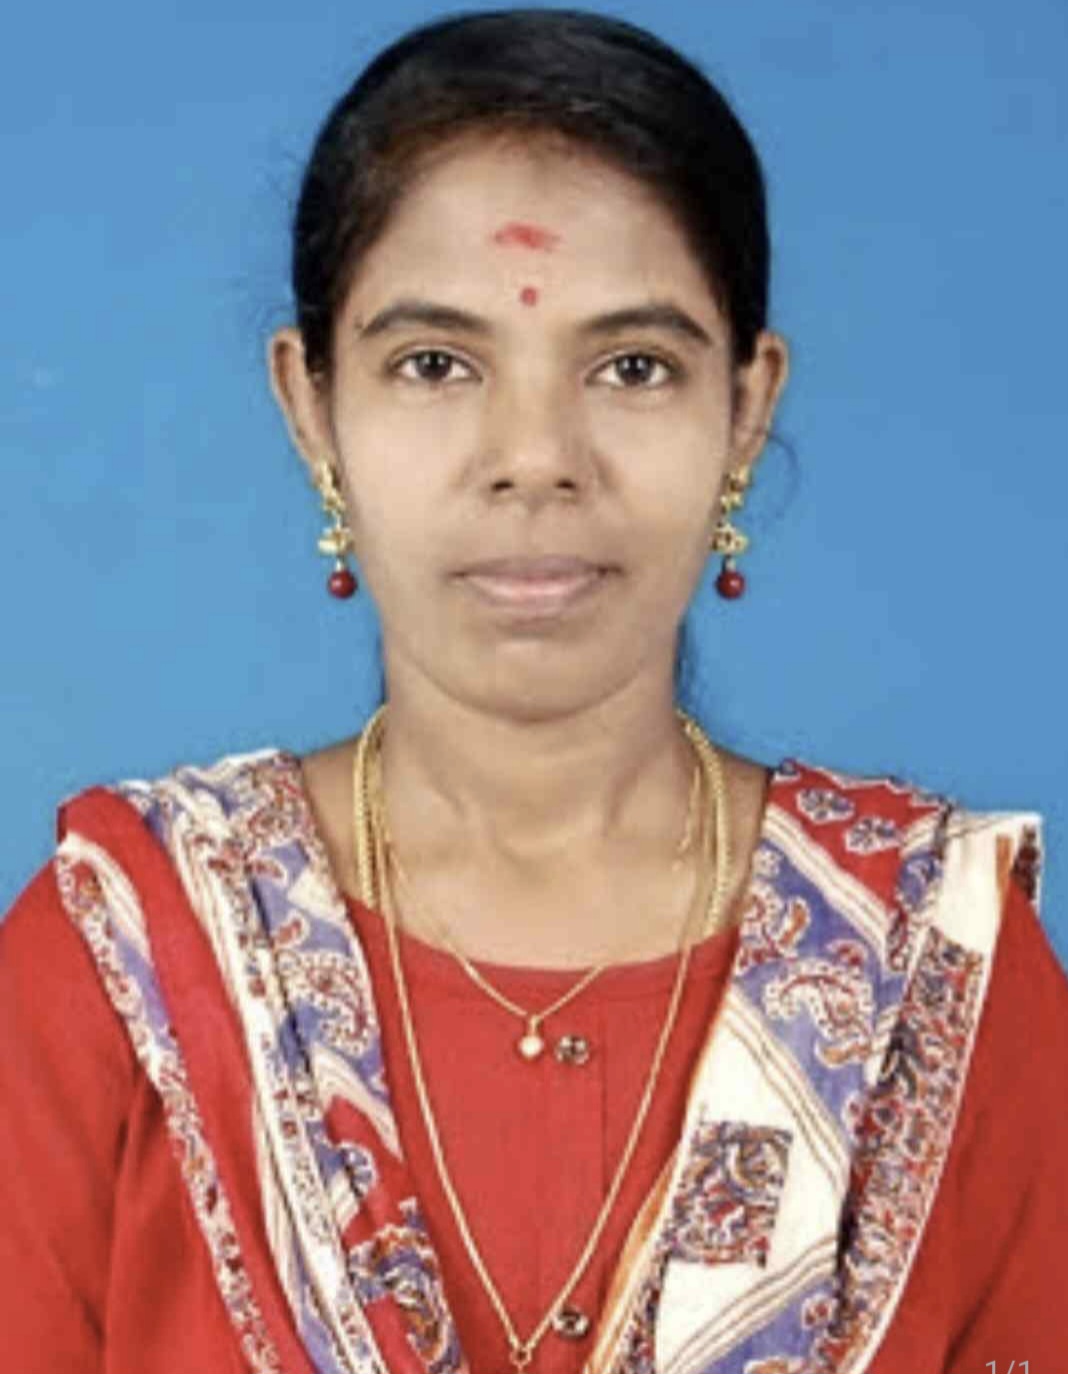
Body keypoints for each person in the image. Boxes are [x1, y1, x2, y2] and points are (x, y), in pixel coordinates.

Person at [1, 8, 1065, 1374]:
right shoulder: (123, 962)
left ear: (746, 408)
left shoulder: (935, 972)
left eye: (633, 367)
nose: (536, 456)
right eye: (435, 365)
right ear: (311, 406)